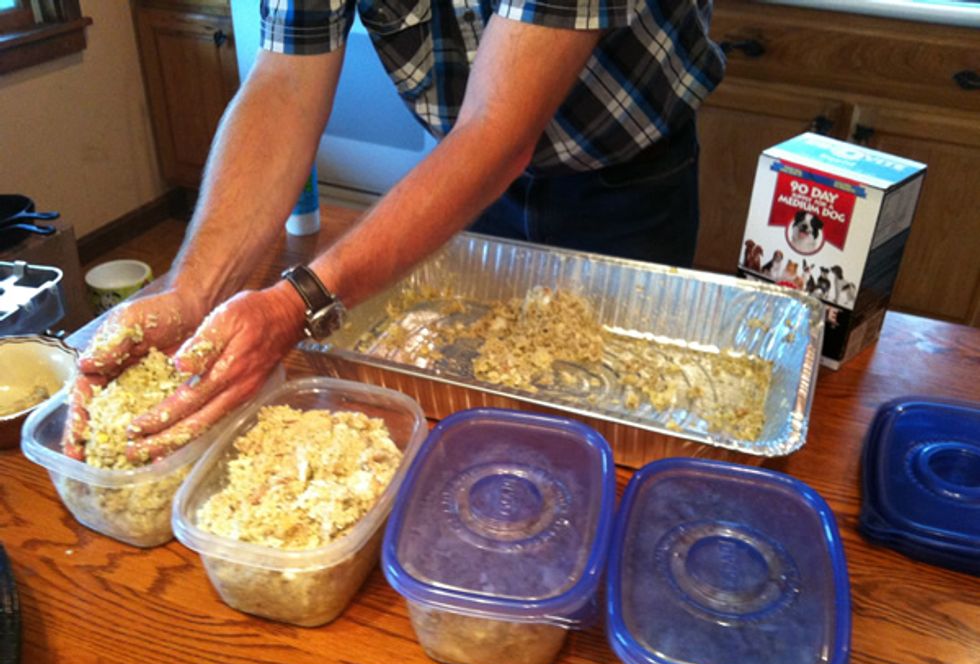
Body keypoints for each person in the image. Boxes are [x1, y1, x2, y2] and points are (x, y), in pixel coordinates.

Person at [63, 0, 724, 461]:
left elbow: (500, 128)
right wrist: (192, 291)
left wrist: (297, 301)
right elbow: (286, 82)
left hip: (627, 177)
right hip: (465, 178)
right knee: (479, 419)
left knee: (622, 423)